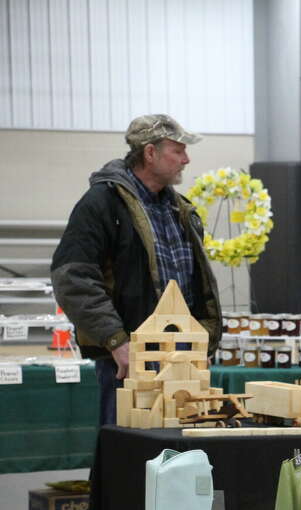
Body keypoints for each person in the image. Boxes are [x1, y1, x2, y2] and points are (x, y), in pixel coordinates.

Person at [51, 114, 222, 425]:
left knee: (179, 449)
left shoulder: (179, 209)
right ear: (150, 153)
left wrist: (201, 341)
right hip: (129, 354)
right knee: (127, 453)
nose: (187, 159)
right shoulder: (101, 204)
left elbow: (193, 283)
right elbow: (73, 278)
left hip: (182, 352)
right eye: (178, 150)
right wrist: (116, 340)